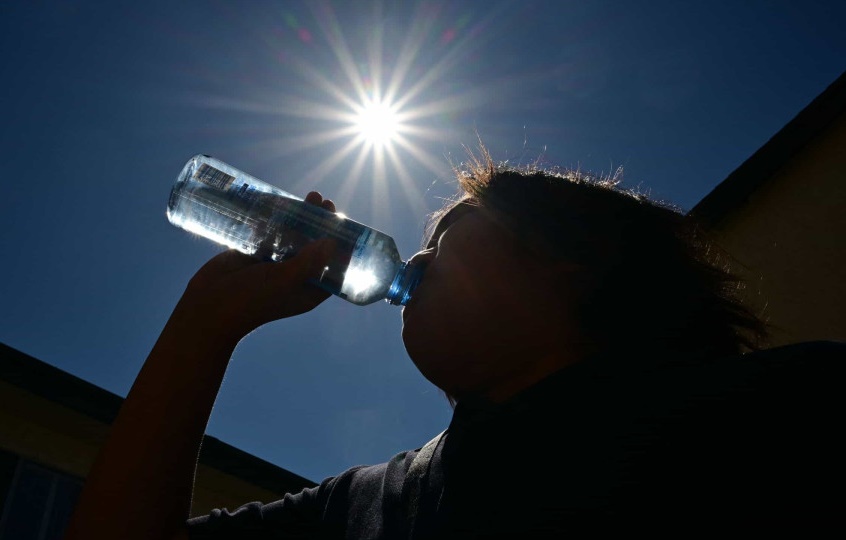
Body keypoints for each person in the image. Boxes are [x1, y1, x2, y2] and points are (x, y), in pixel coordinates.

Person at [70, 146, 838, 540]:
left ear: (570, 264)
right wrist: (204, 325)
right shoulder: (367, 503)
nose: (420, 256)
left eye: (451, 234)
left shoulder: (779, 413)